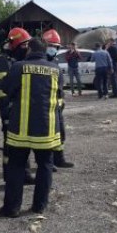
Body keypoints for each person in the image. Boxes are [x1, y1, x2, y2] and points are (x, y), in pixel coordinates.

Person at [0, 38, 64, 218]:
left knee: (16, 167)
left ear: (29, 50)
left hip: (21, 129)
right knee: (45, 166)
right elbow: (59, 95)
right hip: (47, 129)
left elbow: (6, 89)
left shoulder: (19, 66)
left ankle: (11, 208)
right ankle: (39, 206)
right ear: (45, 50)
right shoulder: (56, 69)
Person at [0, 27, 35, 184]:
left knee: (23, 144)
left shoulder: (17, 60)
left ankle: (25, 174)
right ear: (14, 45)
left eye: (27, 45)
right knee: (10, 147)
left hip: (21, 110)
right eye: (23, 45)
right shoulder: (2, 61)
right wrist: (7, 114)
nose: (26, 48)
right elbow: (0, 91)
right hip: (10, 112)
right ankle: (11, 177)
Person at [42, 30, 74, 170]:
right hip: (46, 106)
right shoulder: (40, 61)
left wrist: (62, 101)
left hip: (58, 105)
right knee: (46, 136)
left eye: (56, 47)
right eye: (51, 46)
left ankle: (59, 159)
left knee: (60, 133)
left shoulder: (54, 60)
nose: (53, 49)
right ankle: (47, 162)